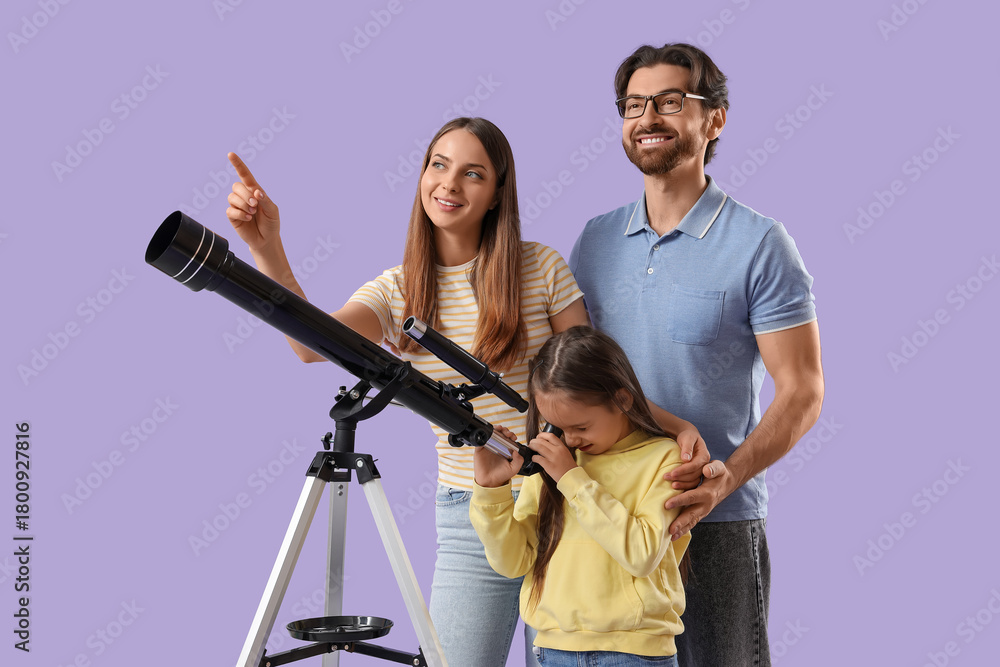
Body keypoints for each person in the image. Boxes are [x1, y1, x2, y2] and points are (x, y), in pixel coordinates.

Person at [226, 117, 701, 665]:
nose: (449, 184)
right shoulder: (398, 290)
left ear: (498, 192)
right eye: (439, 165)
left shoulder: (541, 267)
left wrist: (678, 427)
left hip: (570, 493)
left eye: (473, 173)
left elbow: (595, 380)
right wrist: (268, 249)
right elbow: (312, 345)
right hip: (474, 507)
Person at [569, 44, 825, 667]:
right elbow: (571, 373)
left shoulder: (760, 243)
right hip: (605, 516)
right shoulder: (595, 240)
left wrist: (725, 480)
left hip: (715, 523)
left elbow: (803, 391)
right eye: (634, 104)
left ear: (715, 119)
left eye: (668, 101)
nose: (647, 117)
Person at [471, 325, 690, 666]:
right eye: (558, 427)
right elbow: (513, 563)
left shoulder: (663, 459)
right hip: (553, 650)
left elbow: (641, 555)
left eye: (581, 427)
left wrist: (572, 479)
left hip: (634, 653)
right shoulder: (550, 464)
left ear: (622, 400)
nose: (570, 440)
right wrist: (490, 491)